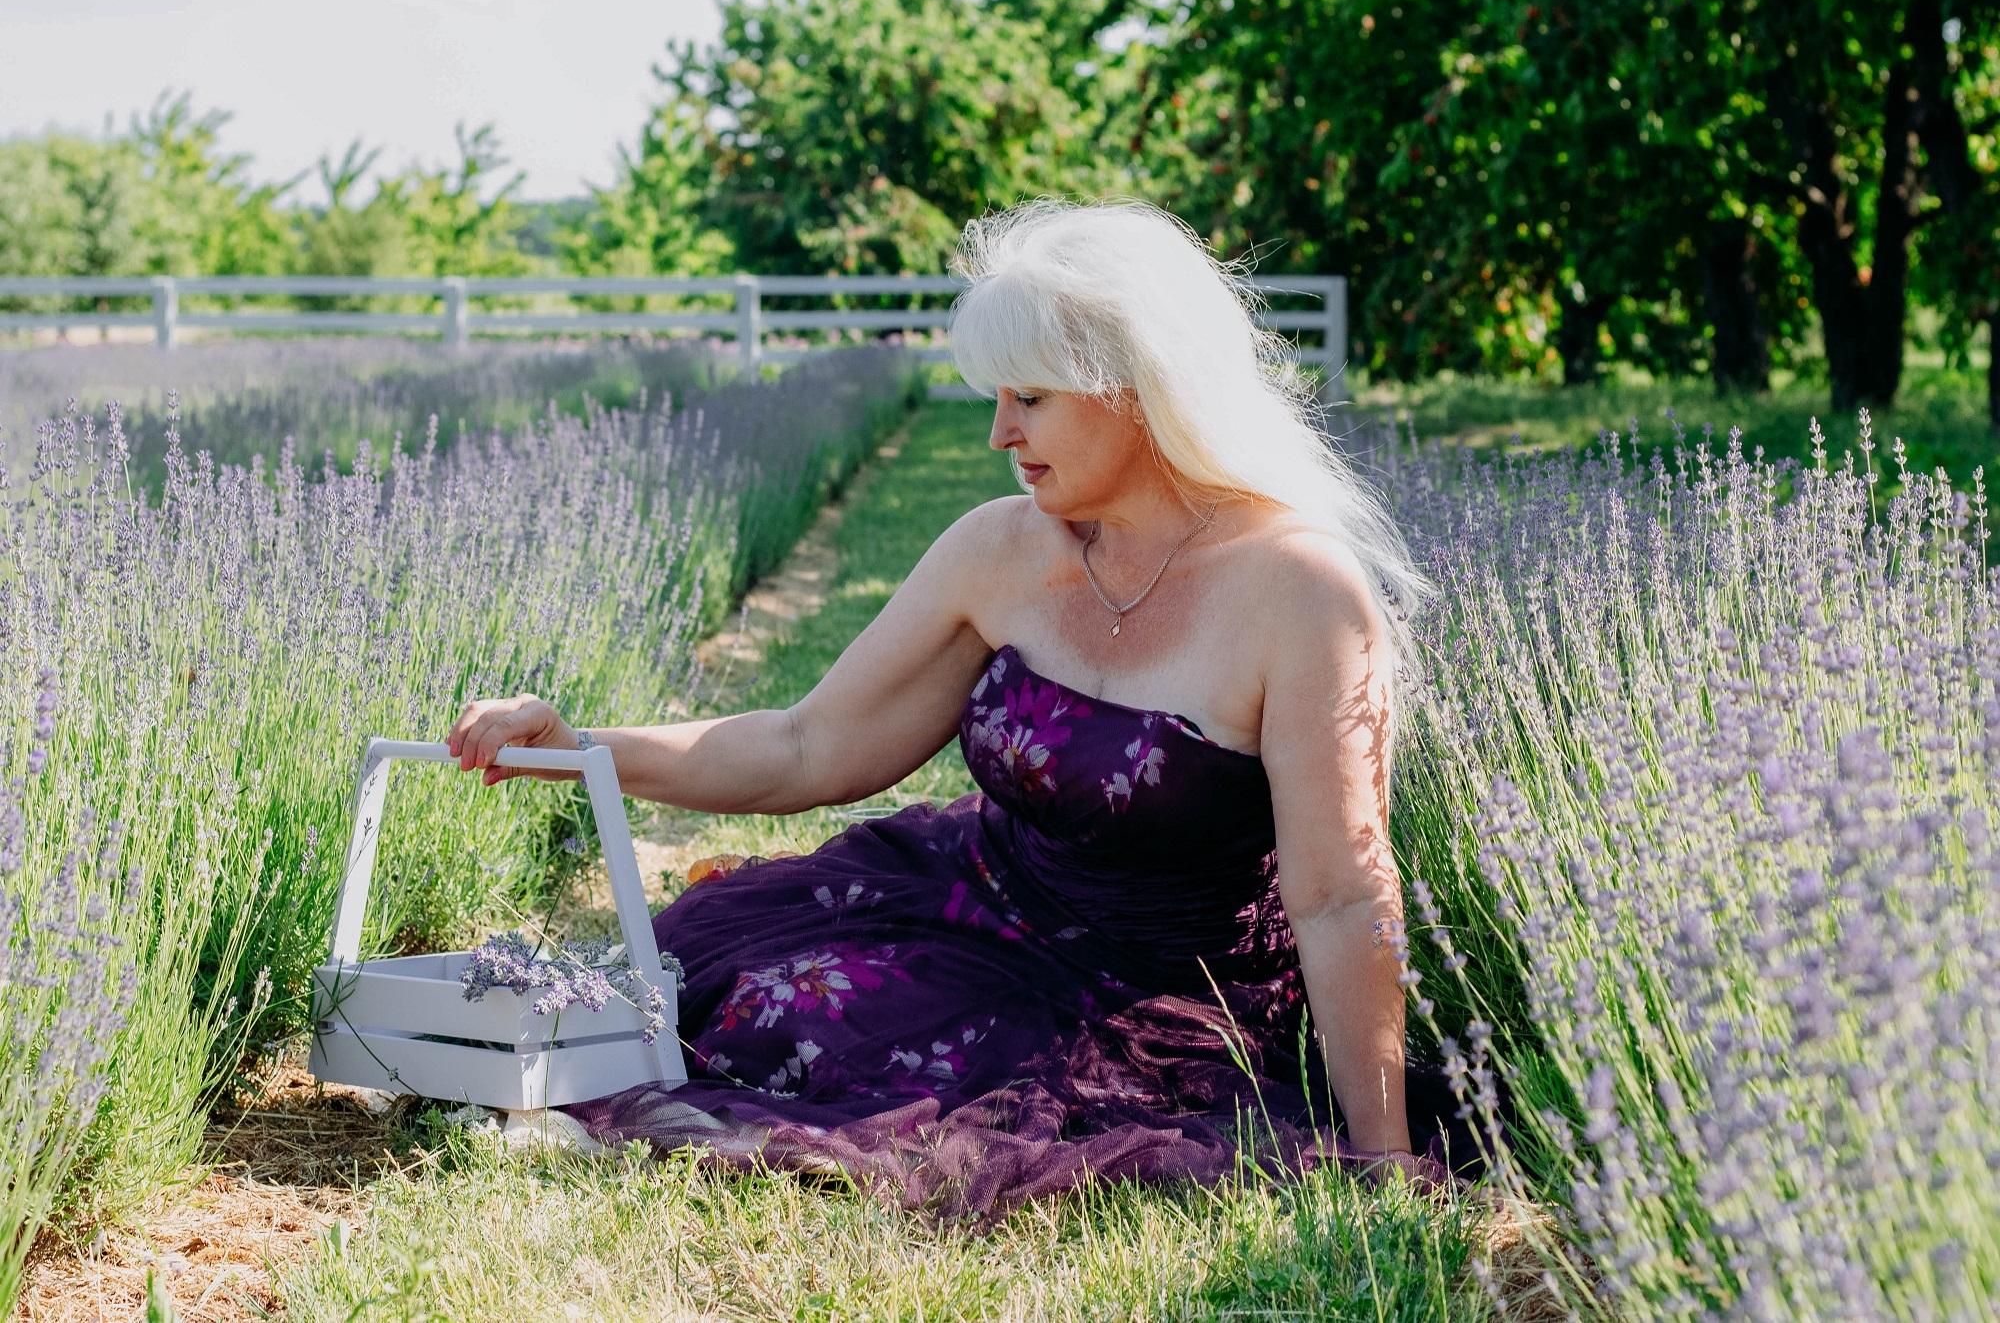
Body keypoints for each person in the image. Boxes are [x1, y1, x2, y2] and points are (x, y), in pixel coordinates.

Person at [444, 197, 1485, 1227]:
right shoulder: (1000, 548)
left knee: (895, 1085)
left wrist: (1382, 1153)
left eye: (1028, 397)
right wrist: (580, 748)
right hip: (975, 906)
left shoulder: (1299, 592)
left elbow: (1340, 895)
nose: (999, 433)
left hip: (1161, 990)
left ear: (1136, 389)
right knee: (755, 999)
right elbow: (806, 744)